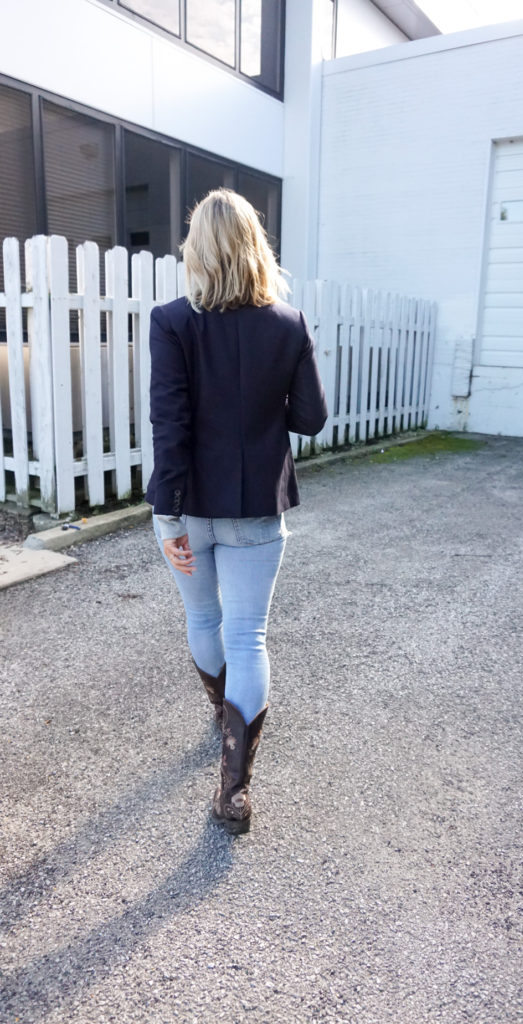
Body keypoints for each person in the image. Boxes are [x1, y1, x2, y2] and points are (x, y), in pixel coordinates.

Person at [146, 189, 328, 834]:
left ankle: (226, 716)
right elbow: (310, 418)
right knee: (248, 634)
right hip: (256, 507)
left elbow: (170, 426)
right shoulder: (289, 322)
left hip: (188, 504)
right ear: (257, 247)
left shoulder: (171, 321)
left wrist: (166, 516)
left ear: (196, 248)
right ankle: (234, 788)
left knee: (204, 616)